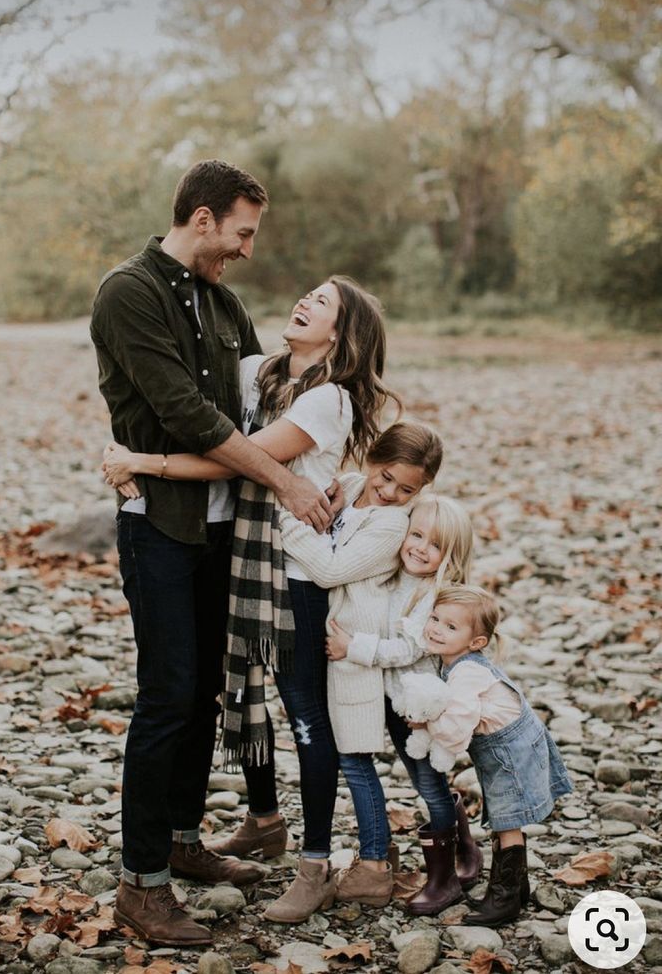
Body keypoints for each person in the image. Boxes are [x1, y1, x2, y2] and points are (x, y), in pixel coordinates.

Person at [91, 159, 337, 949]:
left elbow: (268, 403)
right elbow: (186, 413)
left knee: (205, 696)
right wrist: (288, 487)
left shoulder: (225, 304)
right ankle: (141, 884)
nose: (246, 249)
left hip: (225, 527)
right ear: (201, 218)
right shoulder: (128, 292)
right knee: (167, 696)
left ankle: (181, 838)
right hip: (160, 523)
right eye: (241, 231)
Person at [102, 274, 397, 926]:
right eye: (308, 293)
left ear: (341, 336)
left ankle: (317, 864)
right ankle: (264, 822)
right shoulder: (260, 375)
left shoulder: (324, 400)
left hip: (294, 572)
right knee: (238, 689)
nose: (303, 301)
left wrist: (141, 463)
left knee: (305, 716)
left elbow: (238, 457)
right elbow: (195, 403)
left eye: (322, 303)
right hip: (243, 560)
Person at [322, 494, 480, 914]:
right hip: (392, 699)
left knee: (427, 783)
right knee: (424, 781)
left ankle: (444, 876)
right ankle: (464, 846)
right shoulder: (391, 574)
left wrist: (353, 647)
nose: (420, 548)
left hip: (422, 708)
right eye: (416, 535)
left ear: (451, 556)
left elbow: (409, 648)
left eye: (434, 544)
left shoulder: (433, 593)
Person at [416, 584, 573, 925]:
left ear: (477, 643)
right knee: (505, 817)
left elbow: (455, 730)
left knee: (506, 820)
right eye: (435, 618)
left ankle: (504, 900)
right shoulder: (455, 662)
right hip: (510, 745)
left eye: (451, 627)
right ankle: (516, 887)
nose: (437, 629)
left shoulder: (467, 673)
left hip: (510, 753)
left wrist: (424, 720)